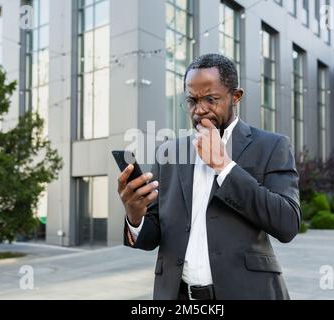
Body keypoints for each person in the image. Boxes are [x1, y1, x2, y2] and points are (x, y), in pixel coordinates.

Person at [117, 53, 301, 300]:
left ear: (235, 97)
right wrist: (135, 215)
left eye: (211, 99)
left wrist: (224, 166)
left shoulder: (271, 146)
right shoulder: (169, 153)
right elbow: (153, 236)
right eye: (192, 100)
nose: (200, 109)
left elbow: (287, 224)